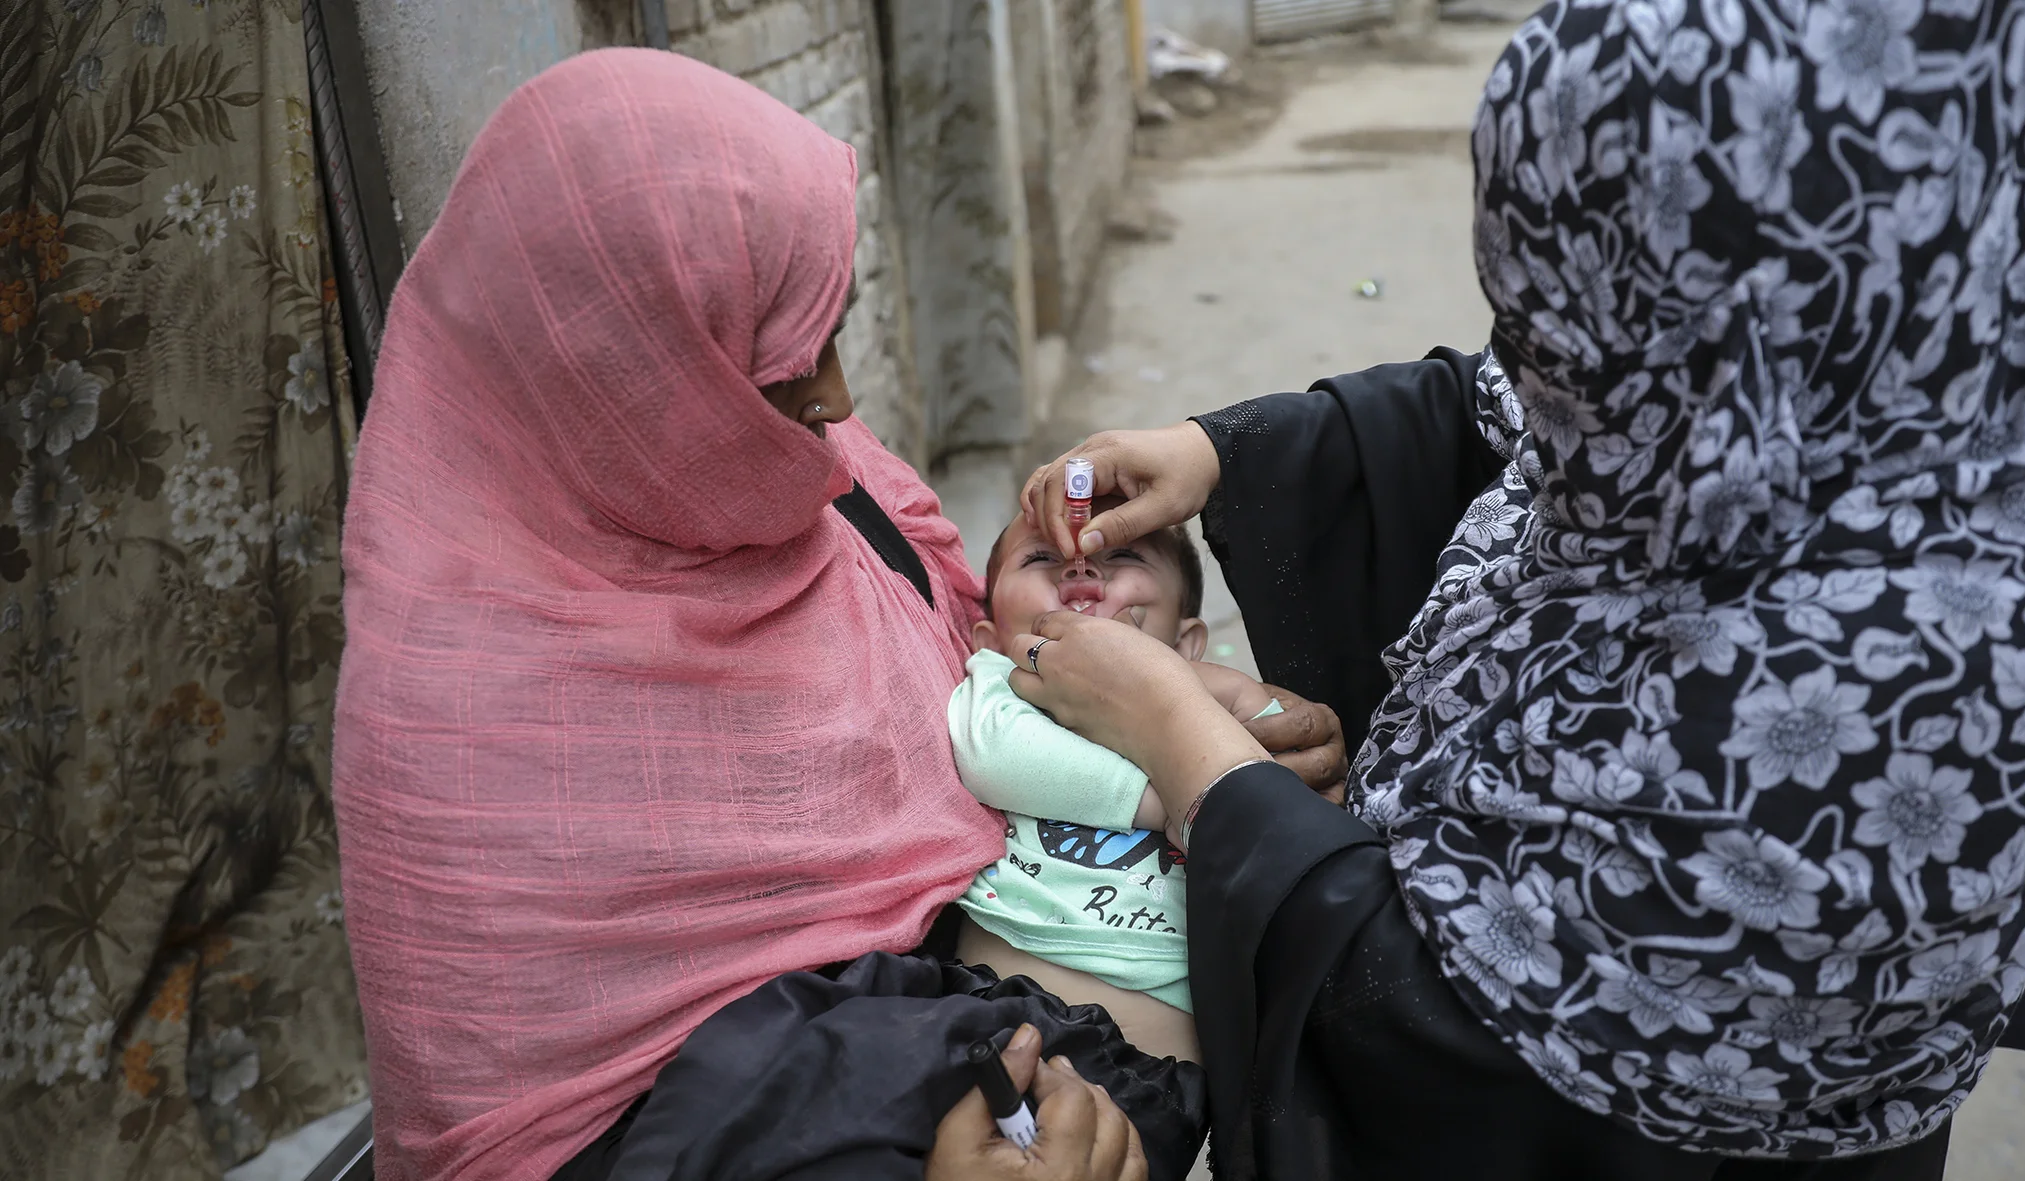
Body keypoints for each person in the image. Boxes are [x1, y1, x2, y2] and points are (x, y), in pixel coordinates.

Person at [1008, 0, 2025, 1177]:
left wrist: (1189, 750)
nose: (1536, 372)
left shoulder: (1902, 697)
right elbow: (1524, 410)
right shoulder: (1808, 350)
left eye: (1558, 340)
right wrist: (1221, 451)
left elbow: (1463, 1056)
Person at [329, 49, 1343, 1181]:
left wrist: (1193, 704)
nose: (838, 399)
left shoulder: (795, 472)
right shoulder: (458, 712)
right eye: (783, 355)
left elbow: (978, 658)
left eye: (829, 331)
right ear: (624, 371)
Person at [950, 512, 1283, 1065]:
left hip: (1164, 1047)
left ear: (1186, 642)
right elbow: (995, 757)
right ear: (992, 637)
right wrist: (1180, 802)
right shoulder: (1001, 685)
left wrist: (1245, 698)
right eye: (1042, 557)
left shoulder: (1211, 701)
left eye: (1124, 554)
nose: (1080, 568)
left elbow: (1281, 791)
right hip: (1003, 999)